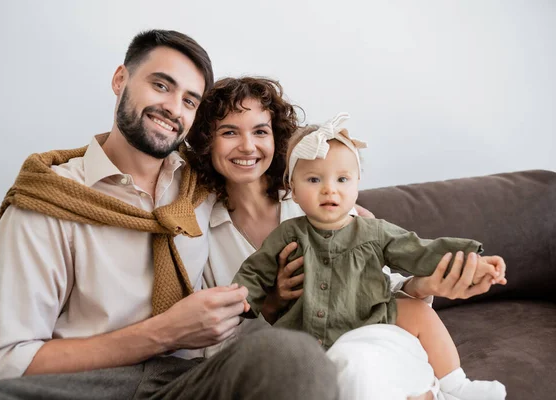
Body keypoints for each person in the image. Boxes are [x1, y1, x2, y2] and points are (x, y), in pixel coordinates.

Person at [0, 30, 338, 400]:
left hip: (187, 383)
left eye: (190, 101)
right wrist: (164, 333)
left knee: (293, 357)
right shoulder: (48, 201)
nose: (173, 108)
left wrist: (338, 210)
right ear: (120, 79)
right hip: (86, 385)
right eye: (161, 85)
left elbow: (278, 159)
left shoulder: (198, 186)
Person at [186, 76, 507, 399]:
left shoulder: (330, 208)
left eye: (260, 131)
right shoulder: (200, 232)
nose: (247, 146)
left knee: (361, 367)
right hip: (292, 363)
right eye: (229, 132)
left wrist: (426, 283)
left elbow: (382, 289)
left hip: (369, 346)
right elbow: (215, 349)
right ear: (206, 142)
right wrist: (271, 305)